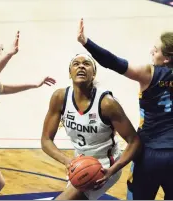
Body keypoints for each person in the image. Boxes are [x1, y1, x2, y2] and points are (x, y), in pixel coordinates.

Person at [77, 18, 173, 200]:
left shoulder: (149, 73)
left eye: (156, 49)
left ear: (167, 57)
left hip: (149, 152)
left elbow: (114, 62)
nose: (152, 51)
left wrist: (86, 42)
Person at [41, 53, 141, 200]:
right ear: (70, 73)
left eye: (86, 63)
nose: (81, 66)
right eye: (76, 63)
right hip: (79, 163)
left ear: (93, 74)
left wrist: (112, 170)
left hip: (104, 166)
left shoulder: (107, 104)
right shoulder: (60, 98)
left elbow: (134, 141)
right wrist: (67, 161)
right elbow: (46, 140)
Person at [0, 31, 56, 200]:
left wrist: (34, 84)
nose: (1, 52)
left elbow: (5, 89)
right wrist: (10, 53)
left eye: (2, 49)